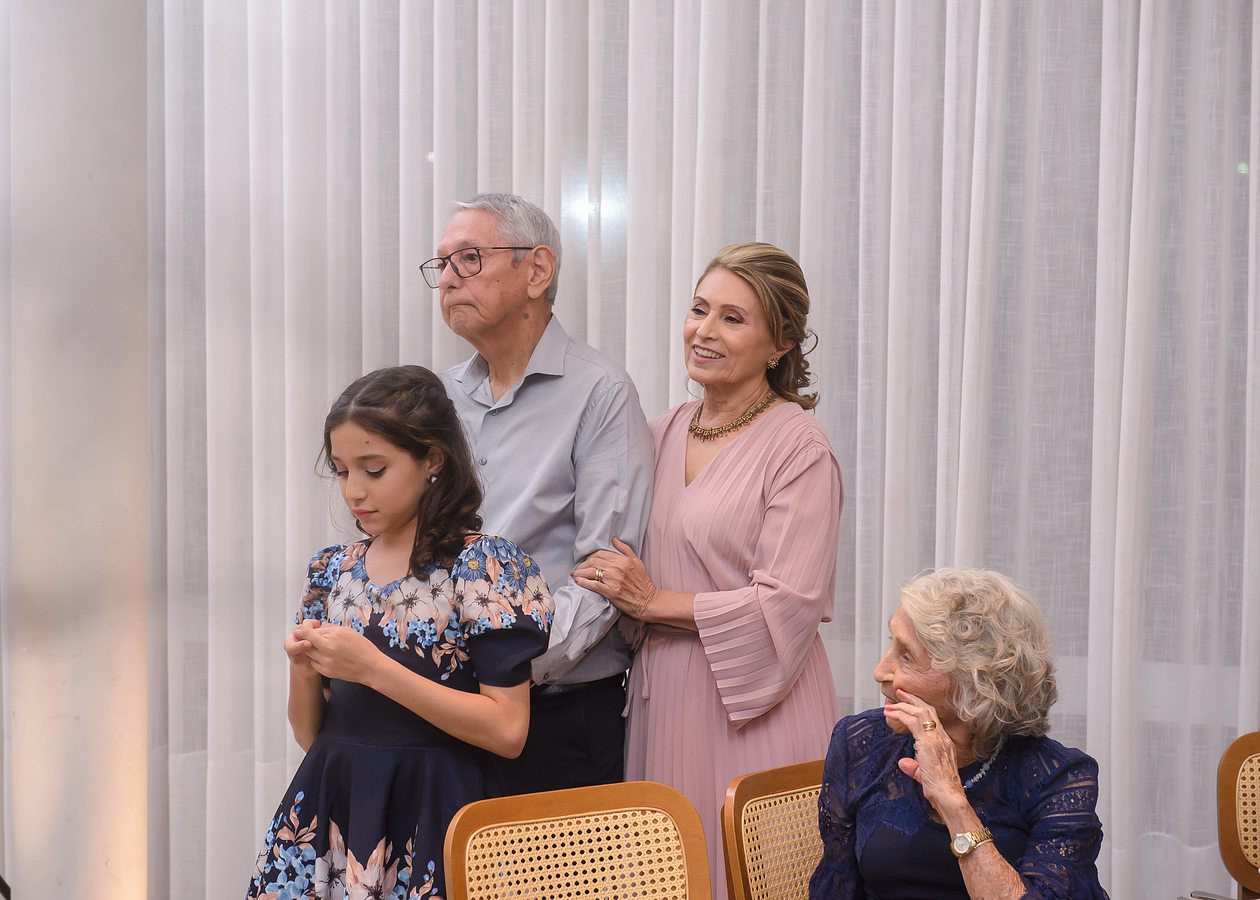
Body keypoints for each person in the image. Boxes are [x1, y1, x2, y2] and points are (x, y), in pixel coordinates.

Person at [576, 241, 844, 895]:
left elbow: (789, 603)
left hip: (758, 705)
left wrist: (654, 603)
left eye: (733, 318)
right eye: (699, 309)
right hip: (663, 699)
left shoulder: (799, 447)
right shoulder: (656, 433)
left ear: (781, 343)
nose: (704, 331)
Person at [246, 366, 554, 900]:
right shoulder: (332, 571)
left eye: (374, 469)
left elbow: (509, 731)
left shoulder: (481, 567)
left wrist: (373, 669)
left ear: (432, 459)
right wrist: (302, 668)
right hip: (333, 809)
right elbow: (310, 734)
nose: (354, 491)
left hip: (436, 813)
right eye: (342, 471)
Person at [428, 192, 654, 792]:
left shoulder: (601, 392)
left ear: (537, 270)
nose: (447, 279)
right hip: (445, 707)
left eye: (468, 258)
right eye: (441, 264)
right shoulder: (439, 398)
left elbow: (606, 574)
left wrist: (502, 668)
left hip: (558, 714)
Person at [809, 568, 1109, 899]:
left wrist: (952, 801)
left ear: (975, 682)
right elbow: (837, 887)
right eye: (891, 643)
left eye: (907, 656)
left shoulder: (1060, 779)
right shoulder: (860, 743)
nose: (880, 671)